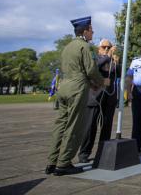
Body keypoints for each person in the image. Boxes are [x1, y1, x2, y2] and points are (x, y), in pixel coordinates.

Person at [46, 16, 103, 176]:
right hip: (77, 88)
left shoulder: (68, 46)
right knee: (74, 125)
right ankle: (64, 163)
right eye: (91, 30)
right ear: (85, 31)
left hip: (63, 87)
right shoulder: (84, 47)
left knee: (61, 124)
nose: (93, 32)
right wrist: (100, 82)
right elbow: (90, 70)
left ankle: (52, 161)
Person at [78, 39, 119, 163]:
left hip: (109, 97)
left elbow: (119, 74)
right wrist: (107, 56)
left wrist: (117, 63)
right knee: (90, 126)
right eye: (104, 47)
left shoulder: (112, 60)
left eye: (109, 47)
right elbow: (94, 68)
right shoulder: (95, 59)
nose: (106, 49)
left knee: (106, 126)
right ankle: (84, 153)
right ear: (99, 48)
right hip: (95, 96)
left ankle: (103, 152)